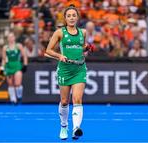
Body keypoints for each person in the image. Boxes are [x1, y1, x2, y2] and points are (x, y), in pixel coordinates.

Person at [45, 5, 94, 140]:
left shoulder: (83, 32)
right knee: (65, 101)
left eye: (74, 15)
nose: (72, 18)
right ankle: (64, 126)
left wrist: (87, 48)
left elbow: (81, 47)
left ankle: (76, 128)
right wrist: (59, 56)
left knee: (77, 99)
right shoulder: (60, 32)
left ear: (77, 18)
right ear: (65, 18)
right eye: (69, 16)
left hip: (79, 68)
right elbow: (48, 50)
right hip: (65, 69)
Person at [0, 32, 28, 104]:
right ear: (7, 39)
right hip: (9, 66)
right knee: (10, 84)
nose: (11, 38)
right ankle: (13, 99)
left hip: (17, 65)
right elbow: (3, 59)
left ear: (14, 38)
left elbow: (24, 55)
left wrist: (25, 65)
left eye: (12, 37)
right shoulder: (5, 48)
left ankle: (19, 96)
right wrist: (2, 68)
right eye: (9, 37)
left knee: (17, 83)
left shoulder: (18, 46)